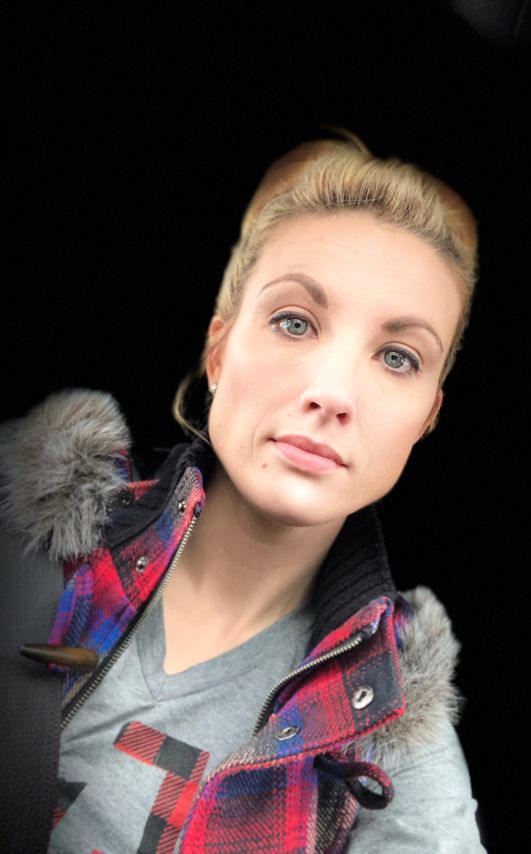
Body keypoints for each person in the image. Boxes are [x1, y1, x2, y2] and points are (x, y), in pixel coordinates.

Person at [0, 128, 487, 852]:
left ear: (427, 418)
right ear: (219, 351)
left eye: (397, 357)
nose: (332, 392)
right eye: (295, 321)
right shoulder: (21, 521)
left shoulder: (391, 750)